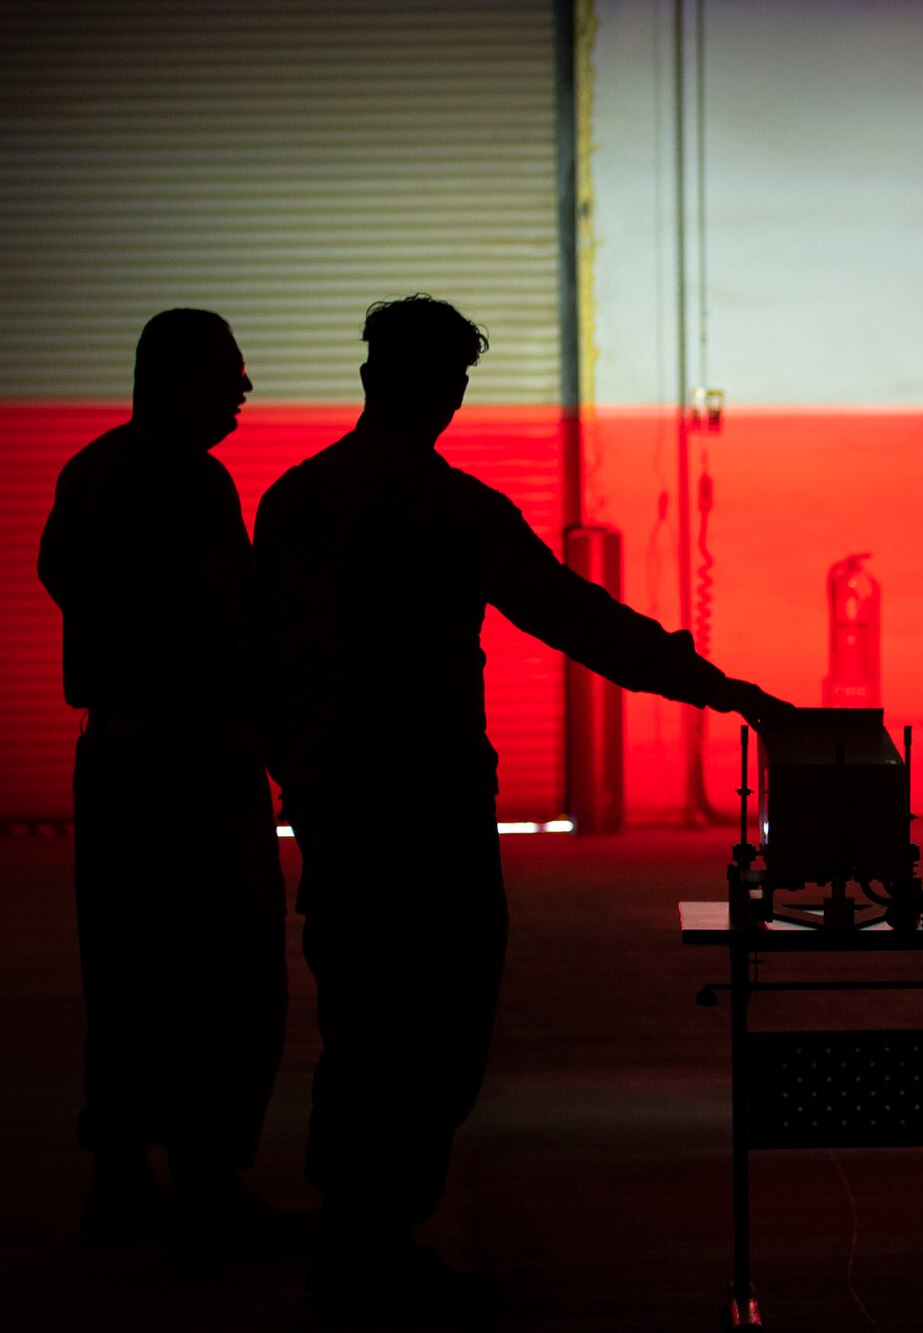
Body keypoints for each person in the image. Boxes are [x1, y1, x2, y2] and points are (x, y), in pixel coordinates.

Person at [251, 294, 791, 1316]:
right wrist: (726, 691)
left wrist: (299, 773)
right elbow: (581, 622)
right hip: (432, 812)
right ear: (442, 388)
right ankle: (378, 1244)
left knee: (360, 1014)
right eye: (448, 379)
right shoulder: (452, 511)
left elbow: (256, 662)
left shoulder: (296, 500)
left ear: (371, 377)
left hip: (337, 809)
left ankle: (350, 1236)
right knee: (433, 1021)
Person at [37, 309, 290, 1248]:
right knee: (226, 968)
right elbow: (240, 616)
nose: (245, 388)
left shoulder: (92, 469)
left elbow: (57, 572)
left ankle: (119, 1177)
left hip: (113, 755)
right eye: (229, 371)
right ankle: (209, 1176)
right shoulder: (193, 480)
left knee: (126, 966)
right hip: (198, 759)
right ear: (177, 375)